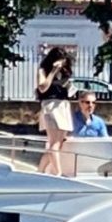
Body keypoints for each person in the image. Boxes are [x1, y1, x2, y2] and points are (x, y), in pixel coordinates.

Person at [34, 47, 75, 175]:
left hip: (63, 105)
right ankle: (58, 173)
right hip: (51, 105)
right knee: (54, 143)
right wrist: (53, 71)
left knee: (60, 143)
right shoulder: (44, 70)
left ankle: (40, 171)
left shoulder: (65, 72)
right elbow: (42, 88)